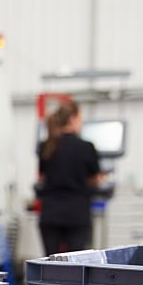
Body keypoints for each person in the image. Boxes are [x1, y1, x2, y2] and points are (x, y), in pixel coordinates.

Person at [37, 102, 104, 255]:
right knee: (75, 265)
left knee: (50, 264)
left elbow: (42, 178)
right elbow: (95, 179)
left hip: (50, 214)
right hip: (77, 214)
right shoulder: (86, 147)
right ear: (73, 119)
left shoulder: (46, 146)